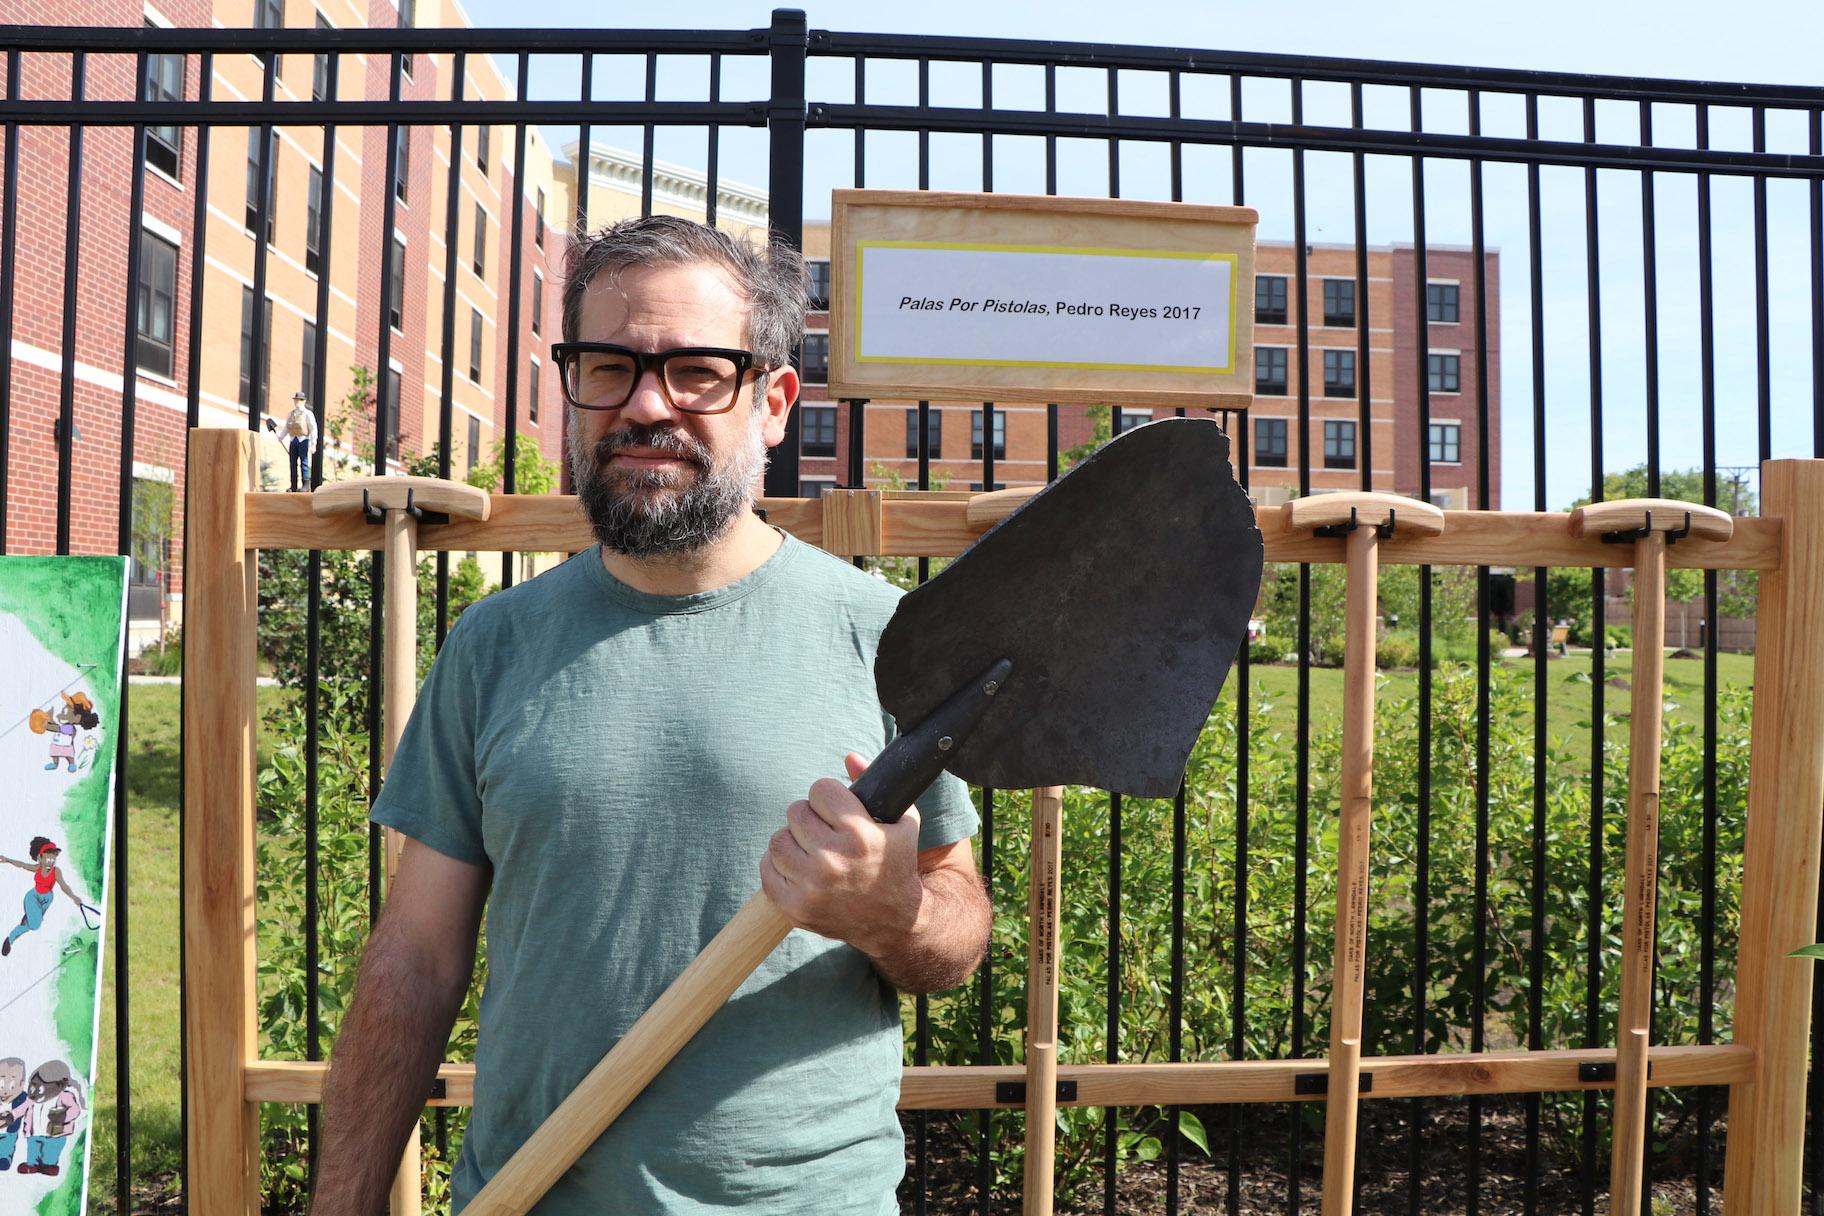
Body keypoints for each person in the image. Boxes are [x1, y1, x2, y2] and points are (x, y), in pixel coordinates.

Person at [310, 215, 991, 1216]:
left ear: (772, 402)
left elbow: (959, 927)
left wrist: (894, 914)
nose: (644, 405)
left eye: (696, 372)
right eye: (609, 365)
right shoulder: (495, 645)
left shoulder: (883, 636)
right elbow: (415, 955)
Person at [0, 839, 79, 957]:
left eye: (53, 859)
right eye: (48, 858)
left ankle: (12, 936)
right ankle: (11, 938)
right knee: (35, 925)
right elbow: (22, 865)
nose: (50, 862)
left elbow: (63, 885)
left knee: (32, 923)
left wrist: (74, 897)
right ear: (40, 858)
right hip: (33, 897)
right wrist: (8, 860)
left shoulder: (56, 871)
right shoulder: (38, 868)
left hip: (47, 899)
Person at [264, 390, 319, 492]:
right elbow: (286, 427)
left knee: (304, 462)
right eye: (296, 400)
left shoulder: (308, 414)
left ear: (304, 401)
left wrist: (313, 443)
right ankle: (293, 485)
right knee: (292, 463)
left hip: (303, 440)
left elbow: (313, 428)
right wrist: (281, 436)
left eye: (300, 400)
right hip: (293, 440)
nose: (298, 402)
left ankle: (306, 485)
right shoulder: (291, 414)